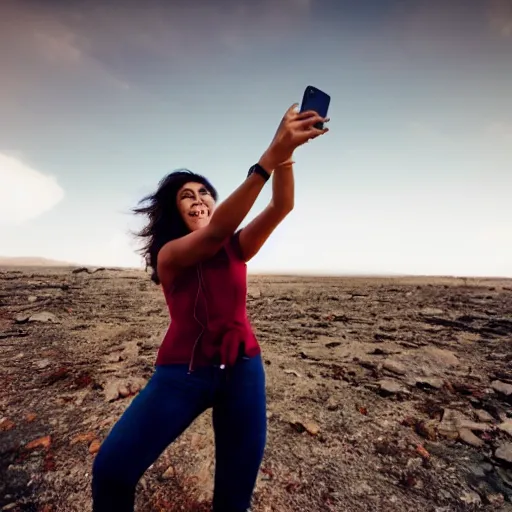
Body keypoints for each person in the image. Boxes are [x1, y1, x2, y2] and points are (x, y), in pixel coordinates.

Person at [91, 104, 329, 512]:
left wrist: (287, 154)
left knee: (234, 497)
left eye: (205, 193)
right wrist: (268, 158)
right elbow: (216, 231)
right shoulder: (170, 254)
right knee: (112, 470)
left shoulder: (237, 246)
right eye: (187, 196)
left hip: (243, 370)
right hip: (182, 374)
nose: (199, 200)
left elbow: (281, 206)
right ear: (174, 211)